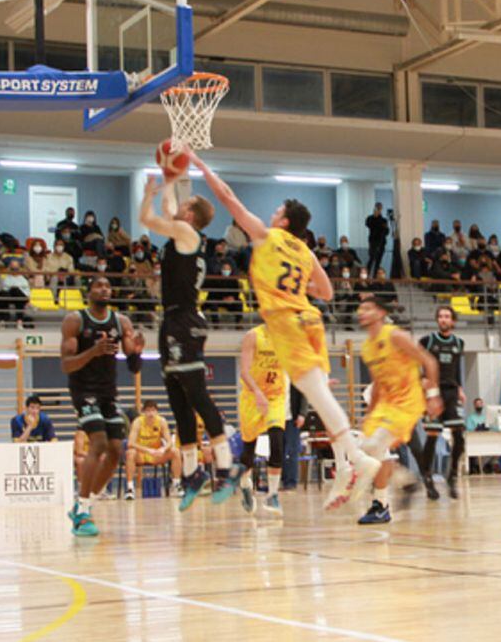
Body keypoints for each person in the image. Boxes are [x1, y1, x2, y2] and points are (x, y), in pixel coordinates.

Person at [196, 151, 381, 511]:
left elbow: (228, 199)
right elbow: (327, 292)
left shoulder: (266, 236)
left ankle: (357, 460)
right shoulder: (306, 250)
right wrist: (298, 290)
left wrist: (201, 167)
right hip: (310, 319)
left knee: (320, 397)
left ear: (283, 222)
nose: (271, 214)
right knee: (320, 398)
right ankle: (347, 464)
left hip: (288, 324)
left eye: (276, 211)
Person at [139, 175, 238, 512]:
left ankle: (225, 469)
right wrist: (168, 180)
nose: (177, 206)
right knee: (179, 402)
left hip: (185, 322)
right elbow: (168, 209)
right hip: (171, 321)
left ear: (191, 215)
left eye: (183, 204)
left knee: (197, 395)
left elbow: (148, 219)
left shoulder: (186, 233)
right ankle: (194, 474)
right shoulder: (184, 233)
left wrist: (145, 195)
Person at [61, 277, 144, 536]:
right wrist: (93, 352)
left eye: (108, 285)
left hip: (108, 392)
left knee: (116, 450)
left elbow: (134, 367)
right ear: (89, 292)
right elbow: (66, 365)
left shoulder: (122, 322)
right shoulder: (76, 321)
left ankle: (84, 504)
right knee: (97, 443)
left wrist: (137, 353)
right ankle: (83, 511)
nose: (104, 288)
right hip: (83, 390)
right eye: (98, 285)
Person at [356, 296, 442, 525]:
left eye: (367, 308)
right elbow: (377, 383)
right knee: (365, 448)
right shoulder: (367, 347)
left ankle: (384, 500)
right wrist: (369, 413)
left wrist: (433, 395)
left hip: (407, 402)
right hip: (385, 403)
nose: (361, 312)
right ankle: (400, 487)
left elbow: (429, 361)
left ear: (381, 313)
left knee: (376, 446)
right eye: (360, 308)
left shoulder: (395, 336)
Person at [231, 325, 290, 515]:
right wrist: (257, 392)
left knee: (277, 440)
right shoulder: (253, 336)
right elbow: (244, 372)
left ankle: (273, 495)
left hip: (275, 396)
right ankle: (246, 484)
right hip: (252, 396)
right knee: (249, 451)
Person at [413, 306, 467, 500]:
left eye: (447, 316)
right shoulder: (427, 341)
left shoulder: (459, 343)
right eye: (441, 316)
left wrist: (460, 388)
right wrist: (421, 381)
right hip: (433, 392)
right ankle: (427, 478)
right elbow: (414, 363)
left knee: (459, 436)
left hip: (451, 392)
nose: (443, 319)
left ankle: (452, 476)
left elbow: (457, 368)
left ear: (453, 321)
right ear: (437, 320)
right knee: (433, 435)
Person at [124, 401, 183, 500]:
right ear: (143, 412)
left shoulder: (161, 421)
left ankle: (176, 484)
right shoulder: (137, 422)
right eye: (148, 411)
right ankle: (130, 489)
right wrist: (147, 450)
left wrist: (163, 449)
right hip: (141, 454)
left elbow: (169, 442)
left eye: (153, 411)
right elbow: (130, 443)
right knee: (130, 453)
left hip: (156, 454)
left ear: (157, 412)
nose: (150, 413)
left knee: (175, 451)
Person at [365, 202, 389, 276]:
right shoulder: (370, 218)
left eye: (379, 208)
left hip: (381, 242)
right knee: (371, 259)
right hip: (373, 242)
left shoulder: (384, 220)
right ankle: (367, 274)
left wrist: (380, 220)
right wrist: (375, 216)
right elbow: (368, 224)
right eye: (377, 207)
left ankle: (375, 276)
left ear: (381, 209)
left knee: (378, 261)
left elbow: (386, 232)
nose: (378, 209)